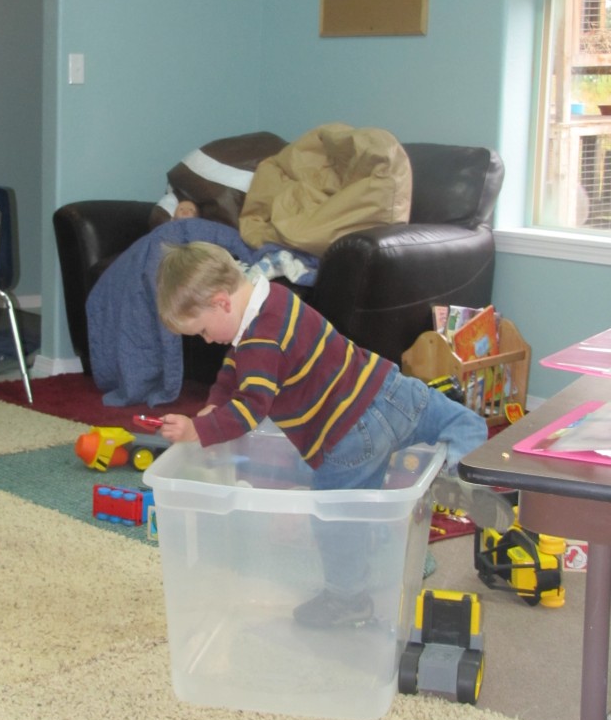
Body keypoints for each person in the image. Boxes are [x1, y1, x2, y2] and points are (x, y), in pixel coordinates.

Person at [155, 240, 513, 629]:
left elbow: (251, 408)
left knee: (337, 524)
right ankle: (461, 474)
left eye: (203, 331)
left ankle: (347, 600)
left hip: (349, 437)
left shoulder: (259, 340)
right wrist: (215, 402)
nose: (208, 340)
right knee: (465, 422)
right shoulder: (275, 298)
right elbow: (235, 364)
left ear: (222, 302)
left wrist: (199, 429)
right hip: (391, 392)